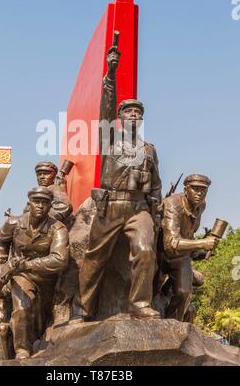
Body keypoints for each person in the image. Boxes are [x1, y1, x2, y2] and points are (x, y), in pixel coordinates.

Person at [78, 36, 162, 319]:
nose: (134, 115)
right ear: (120, 117)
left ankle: (139, 304)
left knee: (145, 250)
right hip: (111, 206)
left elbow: (157, 186)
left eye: (138, 112)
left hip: (139, 208)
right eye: (129, 111)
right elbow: (106, 103)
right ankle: (83, 310)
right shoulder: (109, 138)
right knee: (94, 257)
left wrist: (156, 213)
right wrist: (110, 72)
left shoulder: (149, 149)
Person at [0, 186, 69, 359]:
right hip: (21, 276)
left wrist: (26, 265)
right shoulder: (14, 224)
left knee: (41, 317)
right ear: (29, 203)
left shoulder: (57, 228)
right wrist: (0, 266)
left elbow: (59, 259)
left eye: (44, 202)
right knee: (22, 307)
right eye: (36, 202)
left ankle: (37, 345)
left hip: (46, 279)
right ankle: (22, 350)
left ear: (50, 206)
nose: (40, 206)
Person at [160, 174, 218, 321]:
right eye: (195, 189)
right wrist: (201, 243)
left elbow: (188, 235)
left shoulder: (200, 206)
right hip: (161, 254)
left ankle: (172, 326)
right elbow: (171, 243)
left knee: (184, 293)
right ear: (186, 189)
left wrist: (200, 251)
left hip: (180, 256)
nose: (199, 194)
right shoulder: (173, 204)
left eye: (203, 190)